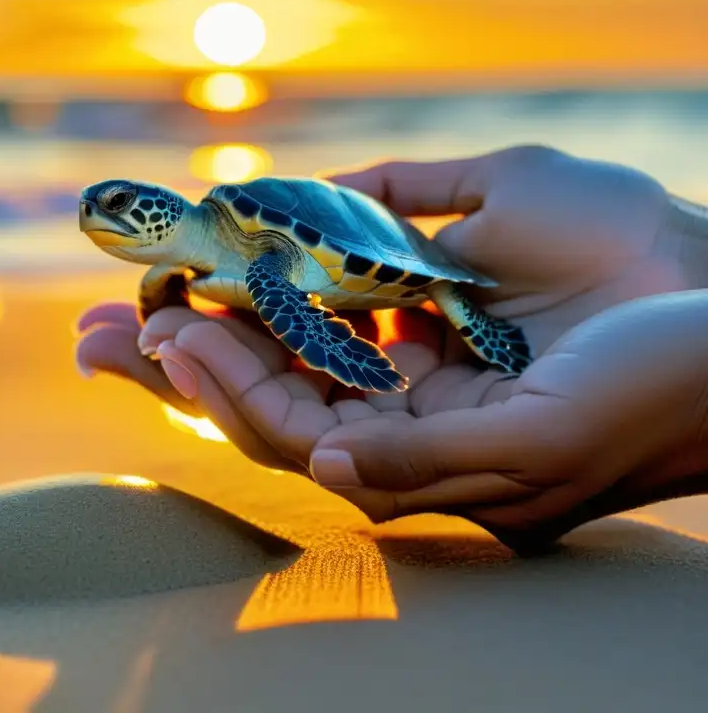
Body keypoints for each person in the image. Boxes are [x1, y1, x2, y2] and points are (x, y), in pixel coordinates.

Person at [74, 145, 708, 553]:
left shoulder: (255, 246)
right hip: (319, 274)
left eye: (122, 204)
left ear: (166, 211)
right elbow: (162, 299)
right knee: (174, 318)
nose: (100, 212)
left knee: (451, 301)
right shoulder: (170, 276)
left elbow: (283, 289)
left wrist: (678, 253)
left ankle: (471, 334)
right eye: (97, 208)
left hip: (387, 262)